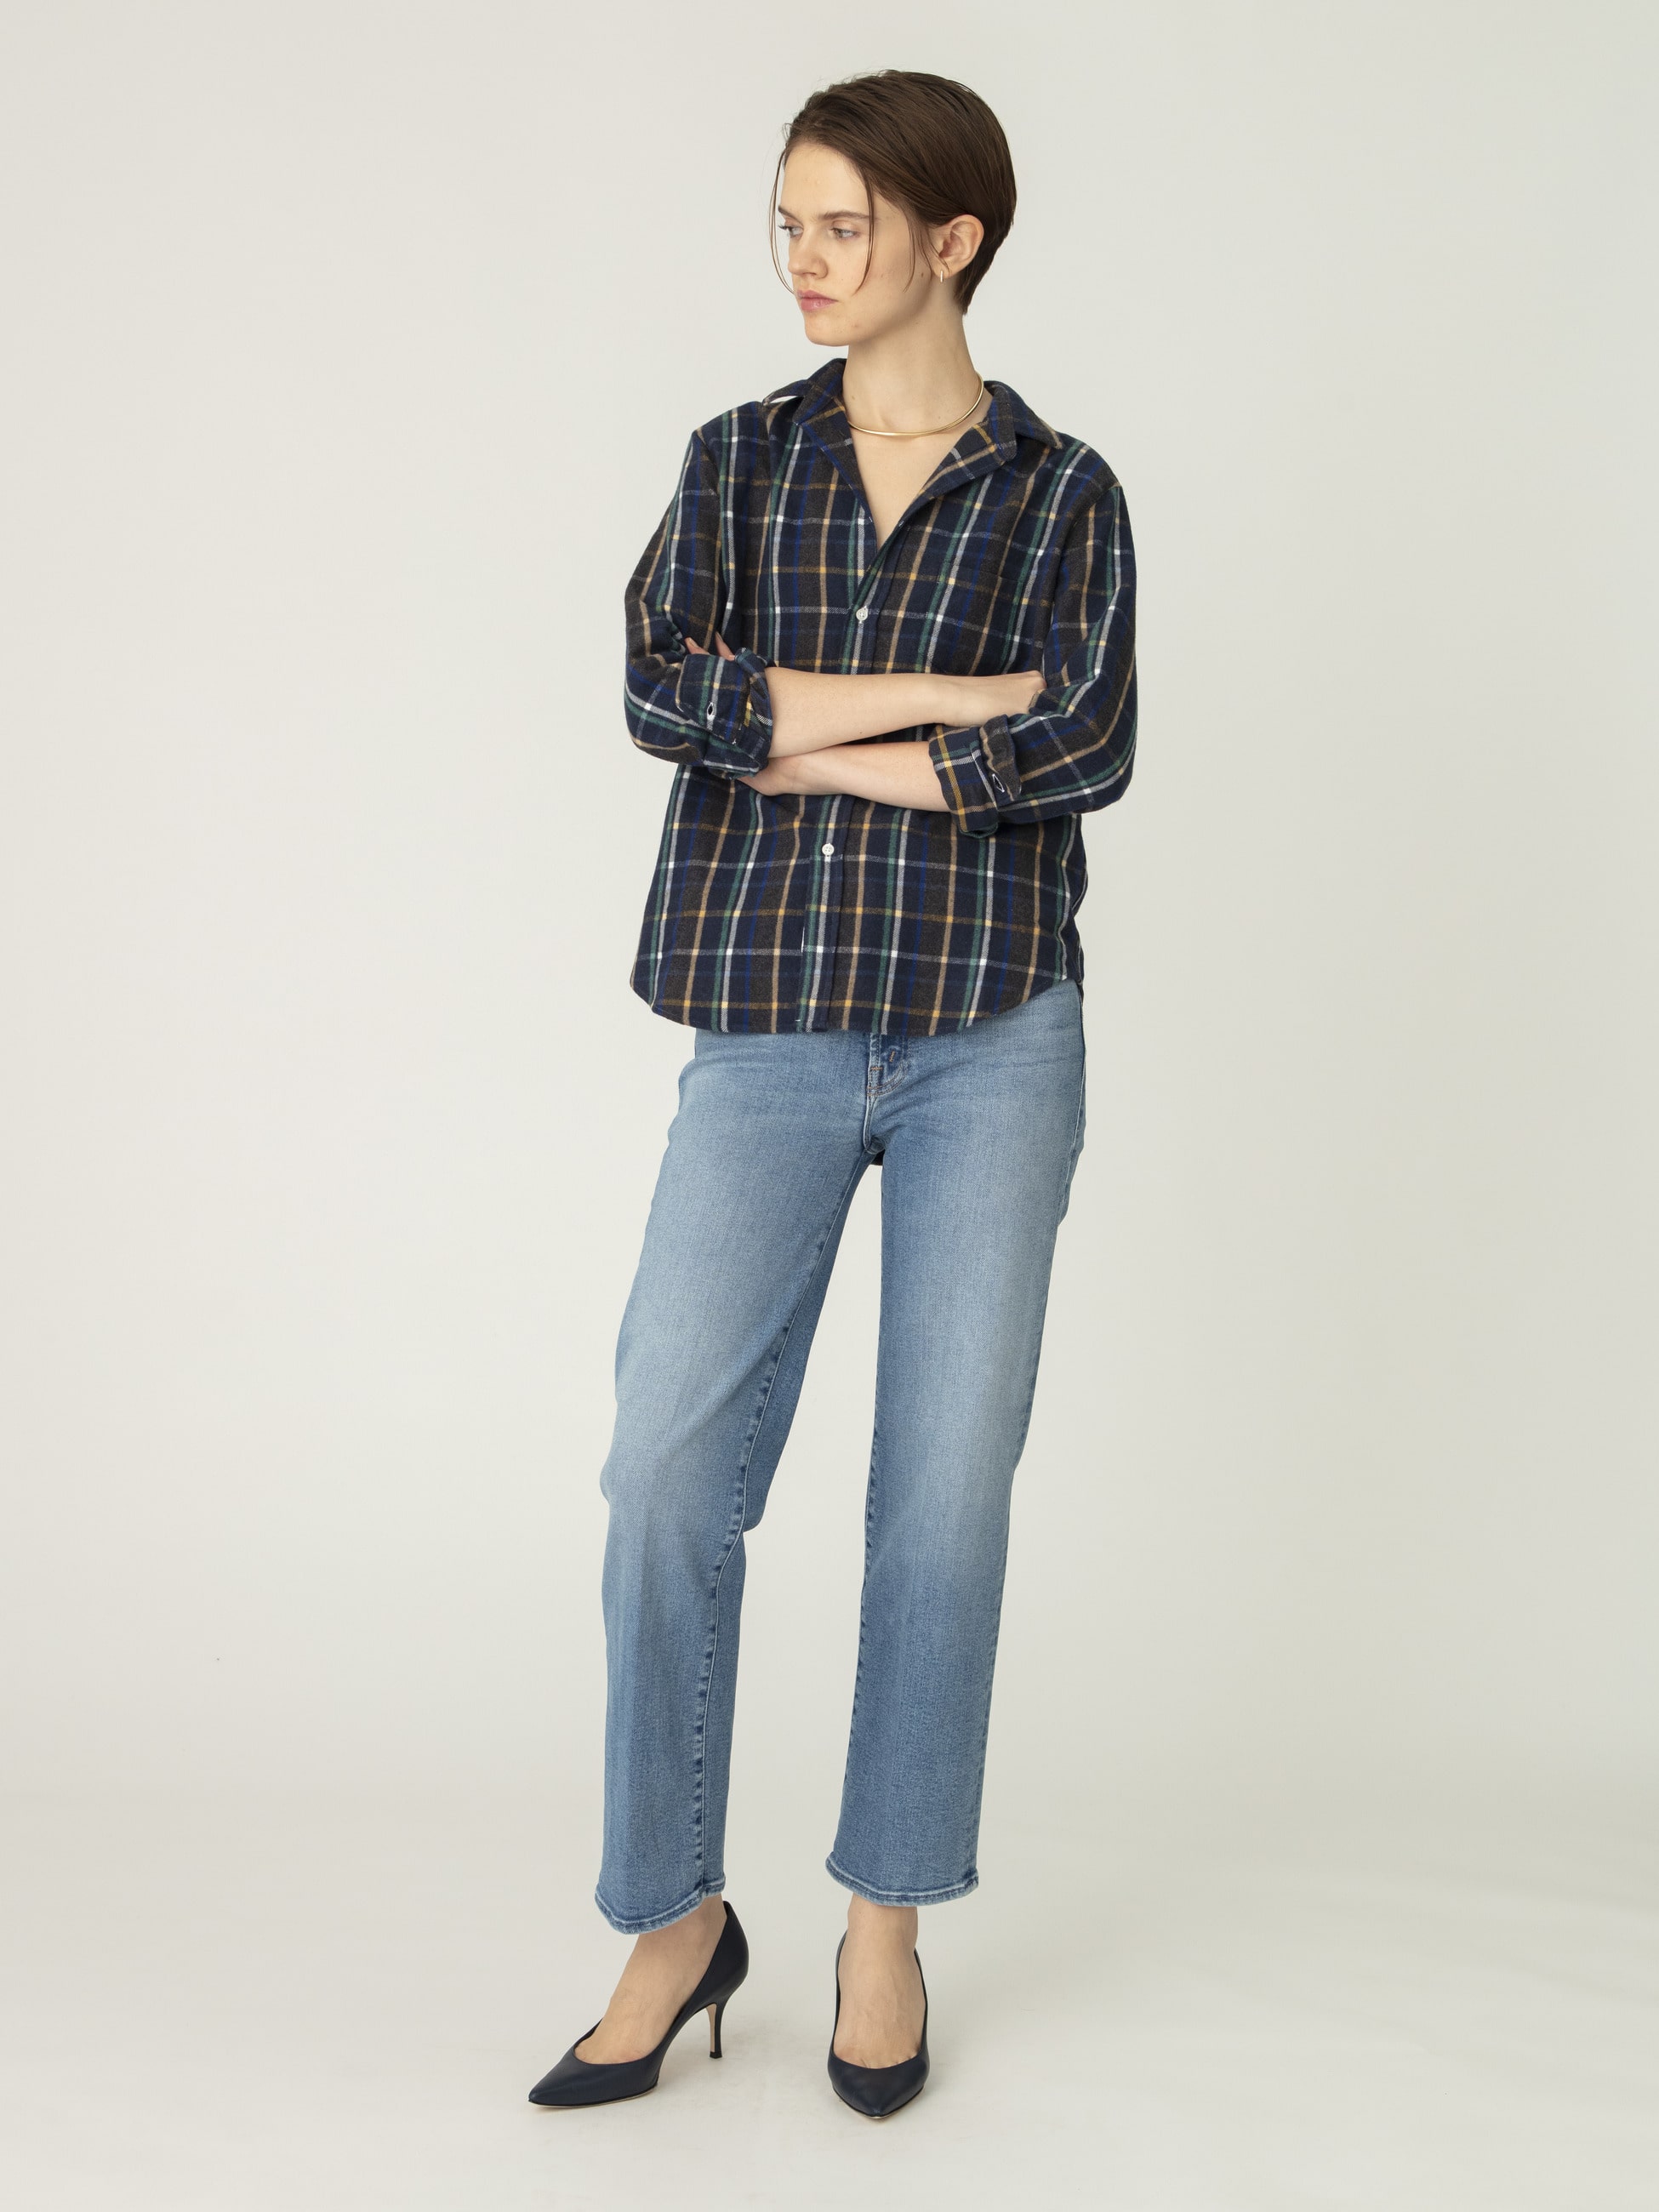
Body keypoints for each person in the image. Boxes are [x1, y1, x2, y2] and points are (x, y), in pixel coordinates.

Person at [528, 68, 1137, 2120]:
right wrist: (948, 701)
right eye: (787, 223)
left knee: (941, 1494)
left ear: (952, 240)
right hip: (769, 1027)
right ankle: (674, 1916)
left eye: (844, 226)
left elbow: (1081, 745)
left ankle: (886, 1919)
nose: (805, 259)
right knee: (662, 1471)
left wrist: (800, 736)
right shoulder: (737, 462)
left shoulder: (1062, 494)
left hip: (990, 1035)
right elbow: (663, 691)